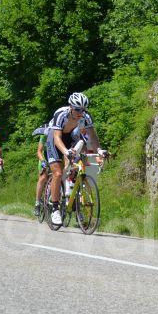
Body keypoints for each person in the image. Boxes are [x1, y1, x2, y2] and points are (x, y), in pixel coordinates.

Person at [45, 92, 107, 226]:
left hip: (72, 138)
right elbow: (56, 137)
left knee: (78, 164)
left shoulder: (86, 116)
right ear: (71, 107)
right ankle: (55, 209)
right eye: (78, 109)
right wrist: (65, 152)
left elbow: (92, 136)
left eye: (83, 109)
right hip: (55, 138)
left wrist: (99, 151)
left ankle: (73, 198)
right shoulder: (61, 114)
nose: (81, 112)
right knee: (58, 173)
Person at [32, 125, 50, 216]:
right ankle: (37, 203)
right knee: (43, 177)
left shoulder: (60, 134)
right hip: (45, 157)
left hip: (56, 156)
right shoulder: (44, 135)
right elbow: (39, 151)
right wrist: (43, 161)